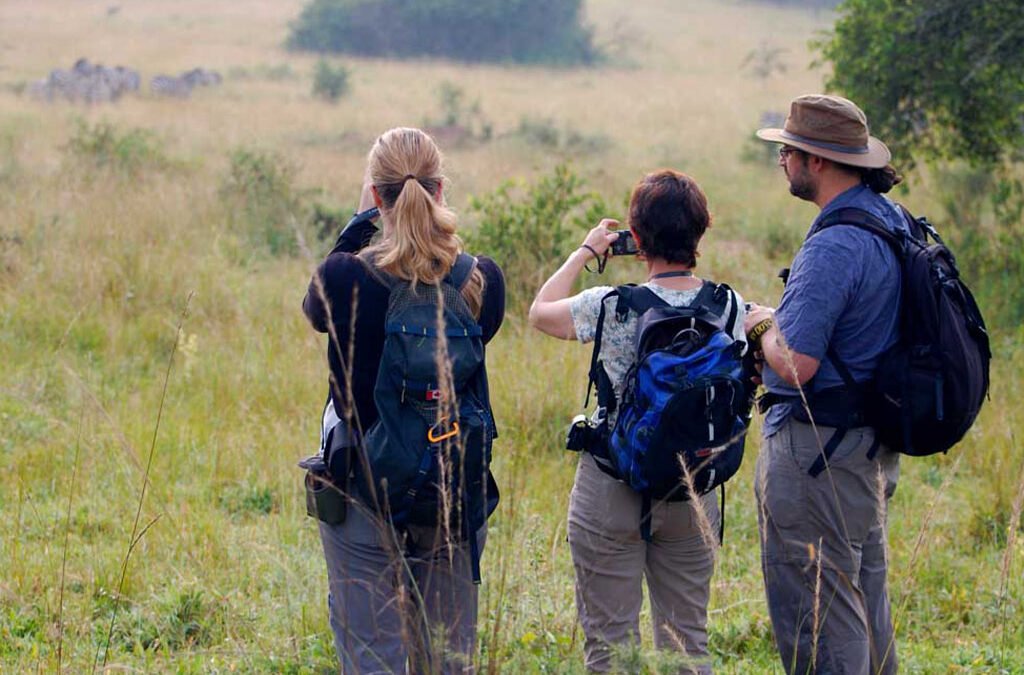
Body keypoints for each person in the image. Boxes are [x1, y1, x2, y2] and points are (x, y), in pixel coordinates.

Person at [302, 127, 505, 674]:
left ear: (377, 196)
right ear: (439, 190)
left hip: (364, 488)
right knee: (448, 658)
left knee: (372, 654)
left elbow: (315, 309)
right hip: (451, 489)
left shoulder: (345, 277)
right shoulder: (481, 280)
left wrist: (357, 224)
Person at [529, 170, 746, 674]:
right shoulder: (728, 305)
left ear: (638, 238)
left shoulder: (611, 305)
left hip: (612, 487)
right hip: (694, 487)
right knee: (687, 645)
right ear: (700, 232)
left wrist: (585, 252)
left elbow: (539, 312)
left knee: (610, 651)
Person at [746, 94, 906, 674]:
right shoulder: (891, 219)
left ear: (816, 160)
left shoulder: (835, 243)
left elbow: (796, 364)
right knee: (865, 601)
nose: (782, 161)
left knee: (820, 619)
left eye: (788, 151)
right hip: (867, 445)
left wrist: (762, 324)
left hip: (818, 454)